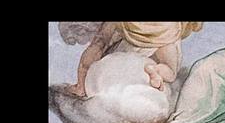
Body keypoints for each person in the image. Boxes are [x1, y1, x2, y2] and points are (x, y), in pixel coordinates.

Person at [61, 22, 203, 97]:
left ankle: (80, 86)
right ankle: (155, 70)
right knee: (170, 71)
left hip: (129, 25)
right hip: (165, 30)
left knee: (99, 42)